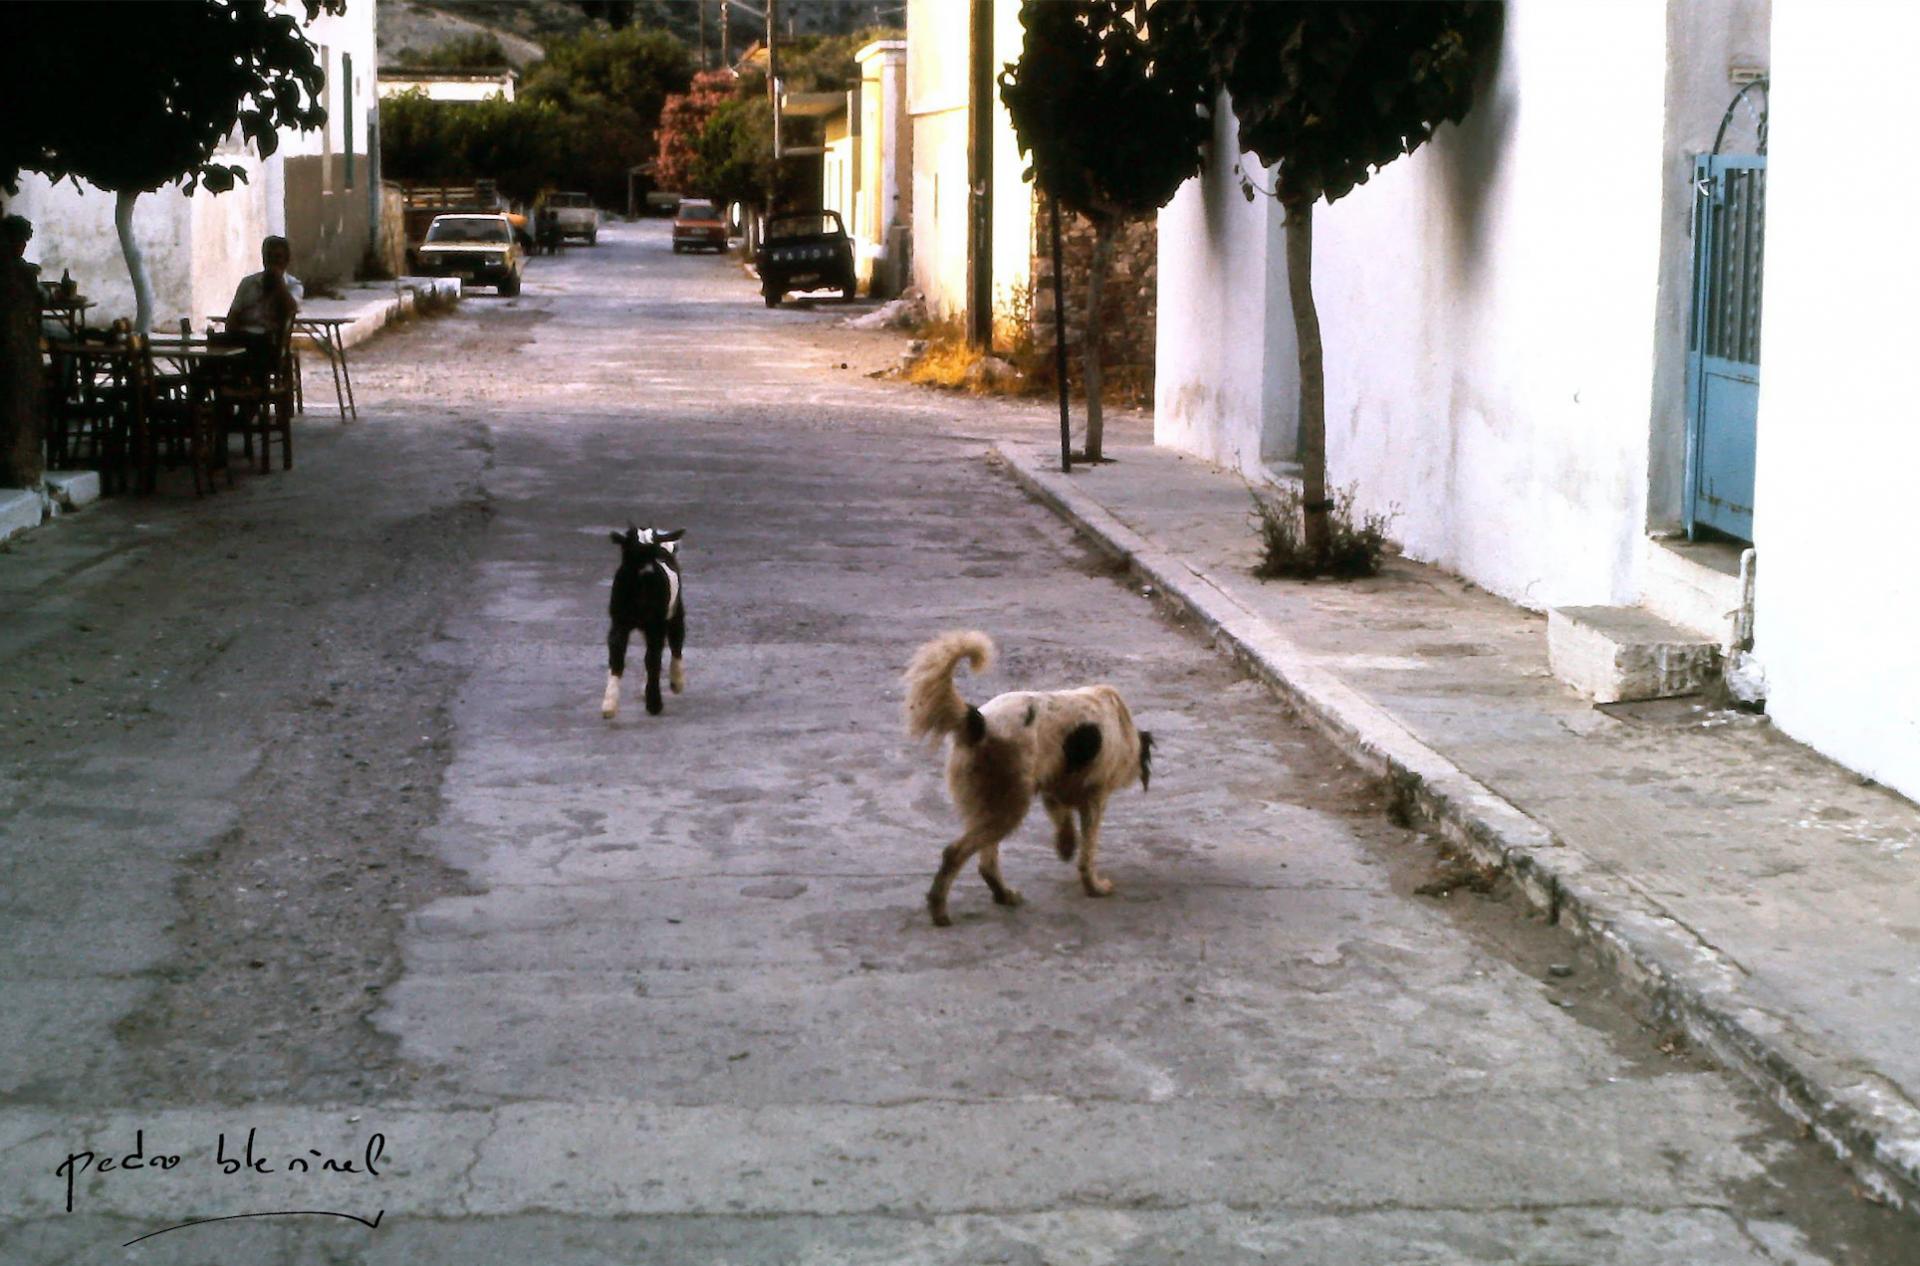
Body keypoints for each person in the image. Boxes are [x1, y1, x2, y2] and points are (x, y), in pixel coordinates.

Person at [225, 235, 302, 336]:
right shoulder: (248, 283)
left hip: (271, 339)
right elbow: (232, 316)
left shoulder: (294, 286)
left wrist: (278, 282)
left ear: (286, 260)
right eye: (269, 256)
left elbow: (291, 310)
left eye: (278, 257)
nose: (272, 261)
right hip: (244, 336)